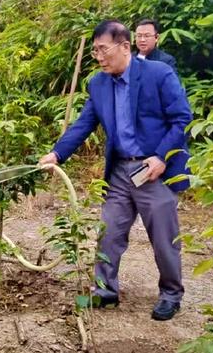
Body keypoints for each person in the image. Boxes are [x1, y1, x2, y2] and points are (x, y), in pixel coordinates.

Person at [39, 20, 192, 320]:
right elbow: (84, 123)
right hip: (121, 171)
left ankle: (171, 294)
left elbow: (181, 118)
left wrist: (161, 157)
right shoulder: (98, 83)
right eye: (94, 51)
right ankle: (105, 290)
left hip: (153, 170)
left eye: (103, 49)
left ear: (125, 46)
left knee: (164, 237)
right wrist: (57, 153)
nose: (98, 57)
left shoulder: (158, 74)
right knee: (108, 232)